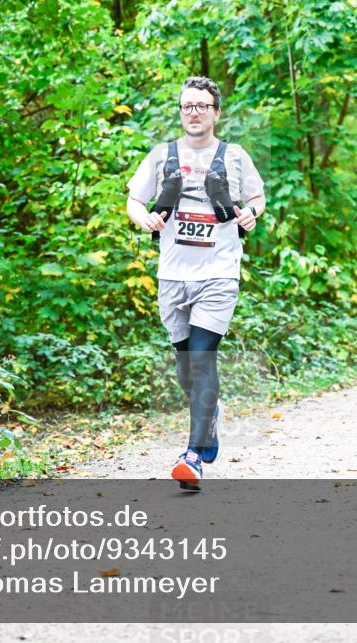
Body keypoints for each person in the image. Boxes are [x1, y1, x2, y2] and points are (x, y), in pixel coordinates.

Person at [126, 76, 266, 490]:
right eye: (188, 105)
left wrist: (251, 214)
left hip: (218, 273)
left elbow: (257, 198)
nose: (194, 112)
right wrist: (143, 218)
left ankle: (192, 456)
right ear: (181, 111)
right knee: (187, 371)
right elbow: (134, 200)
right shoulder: (161, 155)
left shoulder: (235, 156)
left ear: (216, 112)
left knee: (203, 359)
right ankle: (211, 413)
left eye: (202, 105)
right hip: (173, 276)